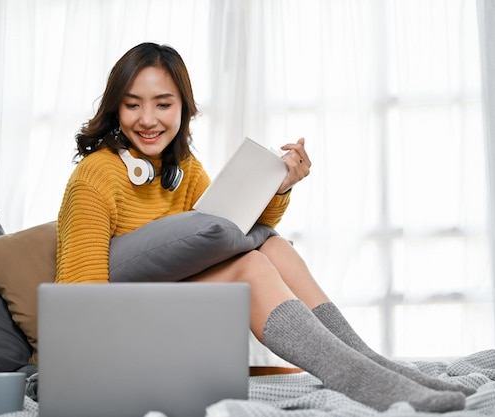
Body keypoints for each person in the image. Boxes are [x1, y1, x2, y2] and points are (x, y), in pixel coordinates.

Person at [55, 42, 473, 413]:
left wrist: (279, 186)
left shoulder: (183, 169)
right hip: (119, 338)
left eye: (163, 104)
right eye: (133, 104)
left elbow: (233, 231)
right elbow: (80, 304)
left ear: (183, 108)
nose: (148, 119)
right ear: (116, 108)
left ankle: (374, 365)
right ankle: (364, 380)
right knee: (251, 267)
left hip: (175, 320)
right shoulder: (96, 176)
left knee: (272, 248)